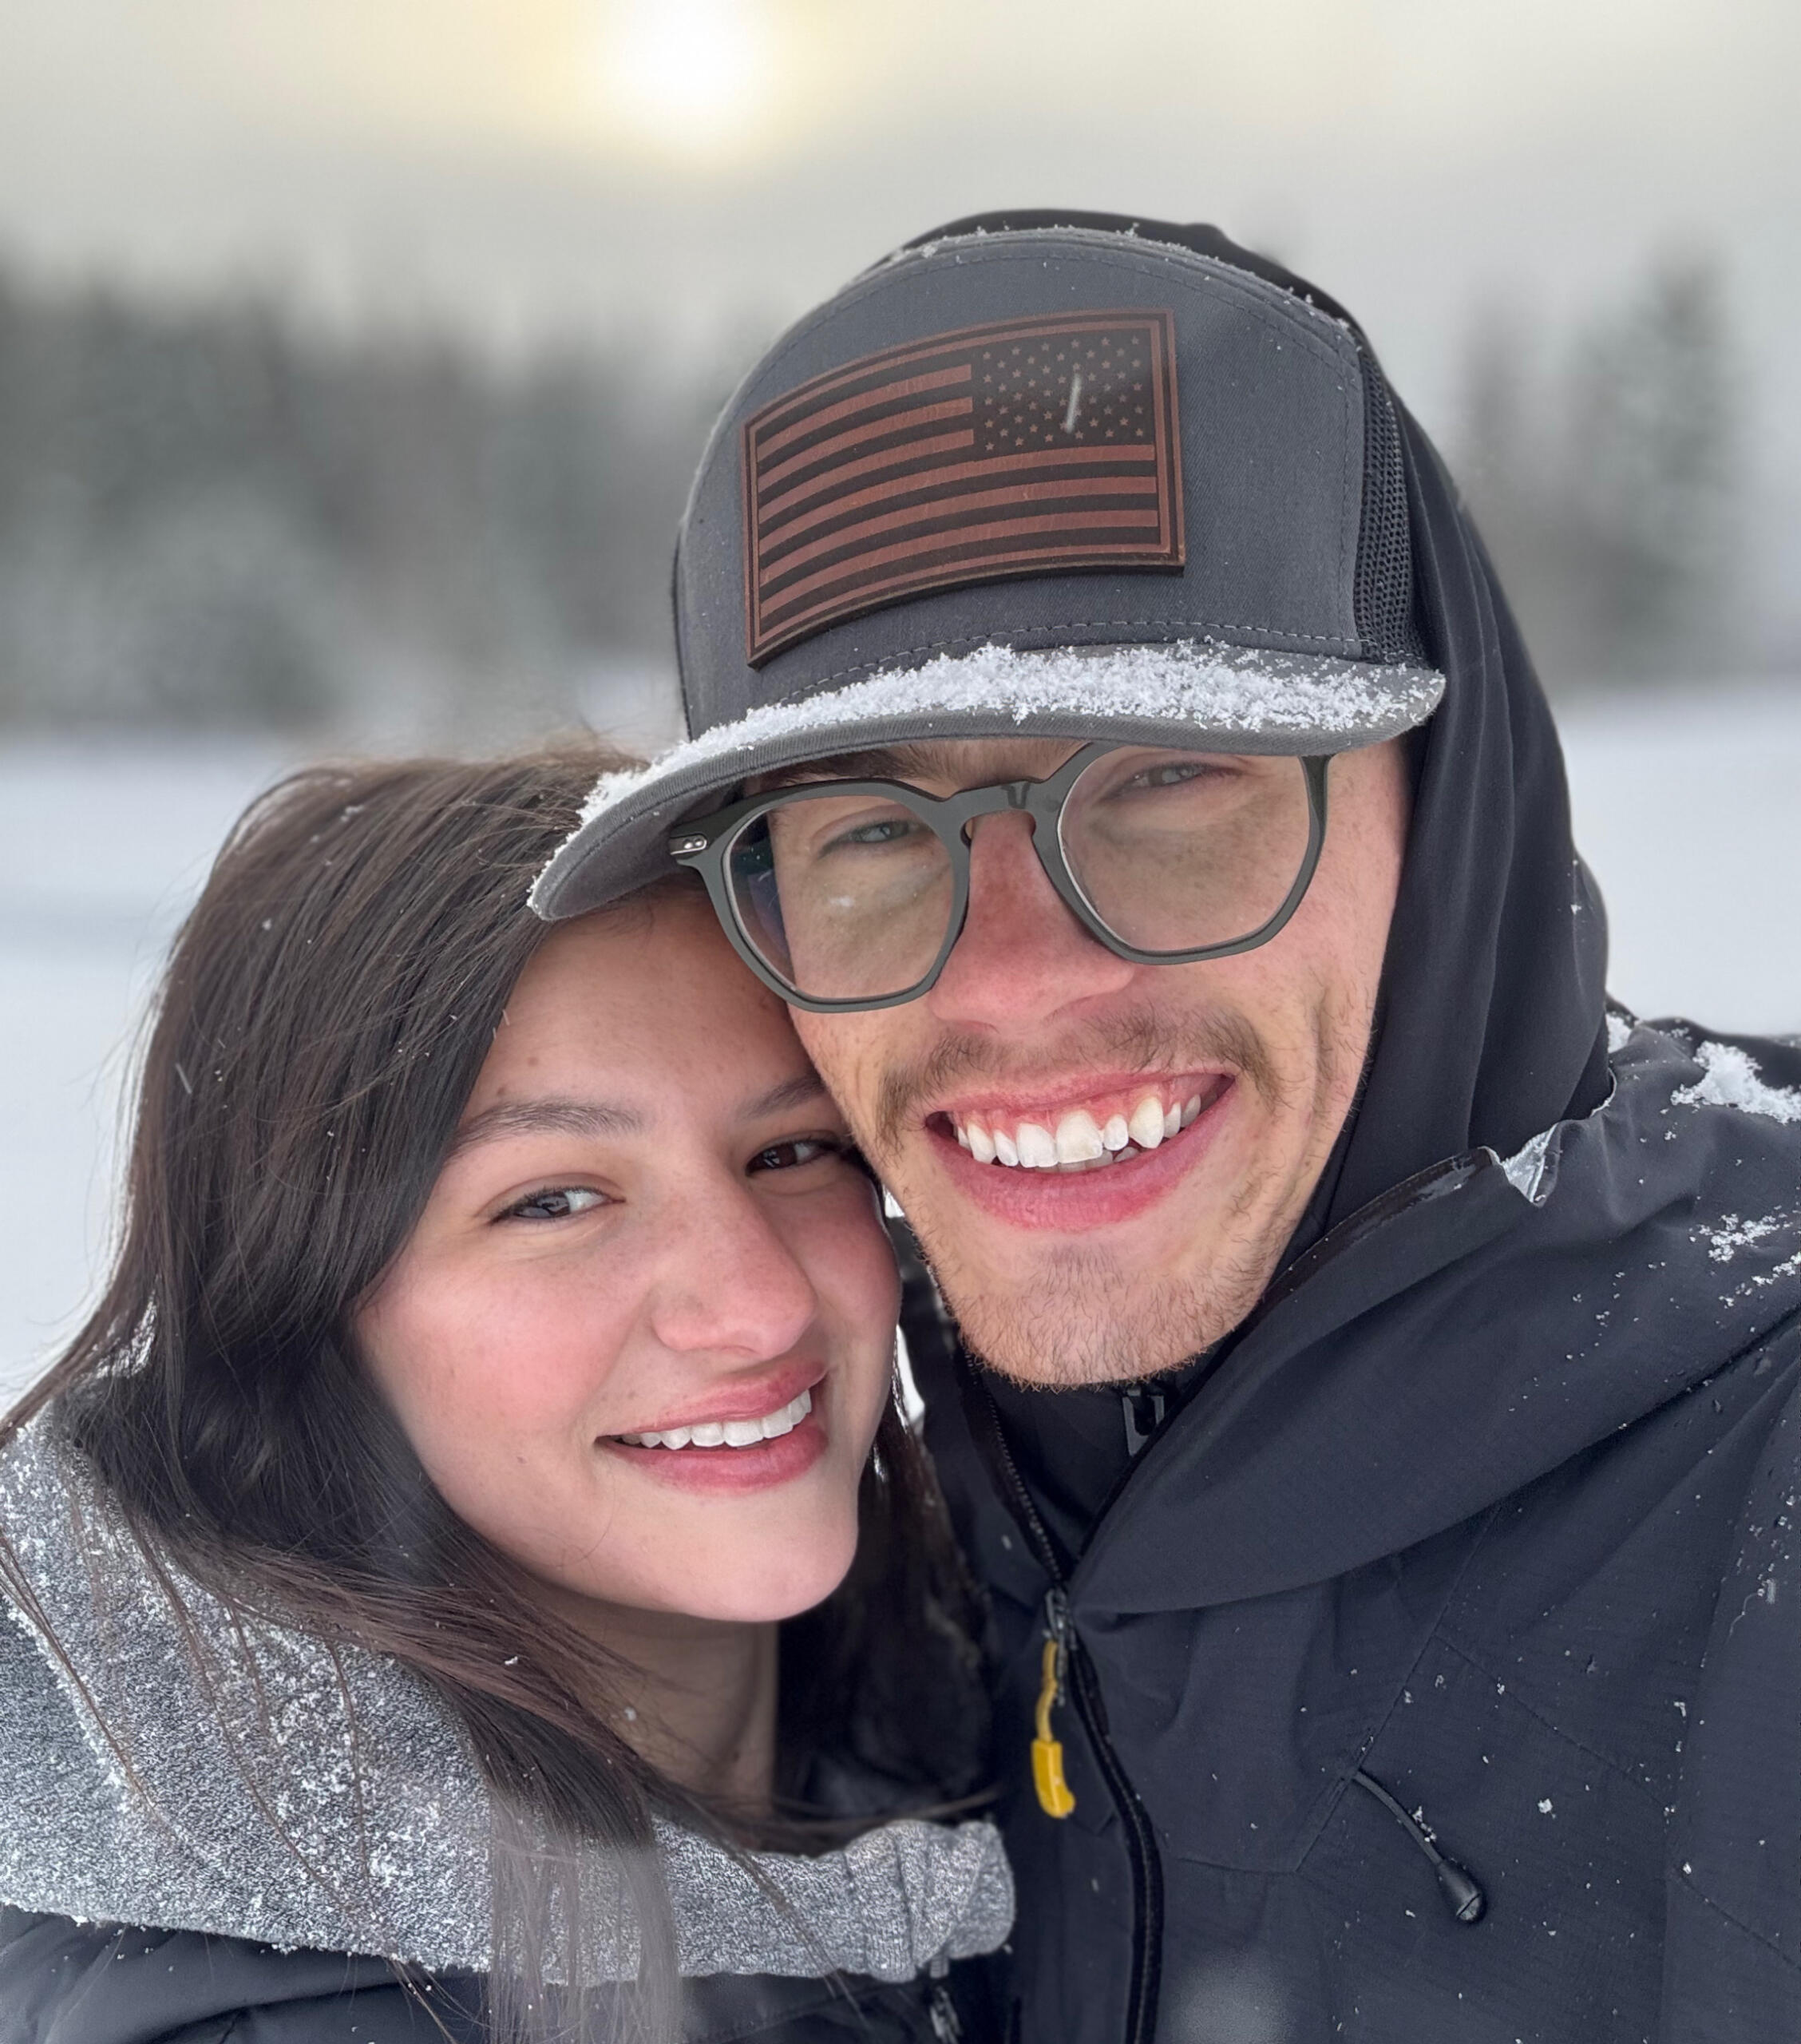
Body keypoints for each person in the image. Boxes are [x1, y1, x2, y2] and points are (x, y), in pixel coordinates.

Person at [531, 214, 1801, 2042]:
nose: (1019, 981)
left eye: (1166, 777)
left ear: (1456, 813)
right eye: (872, 829)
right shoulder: (851, 1587)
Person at [0, 749, 1010, 2044]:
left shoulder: (1021, 1755)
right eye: (555, 1201)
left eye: (793, 1149)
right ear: (303, 1308)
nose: (758, 1306)